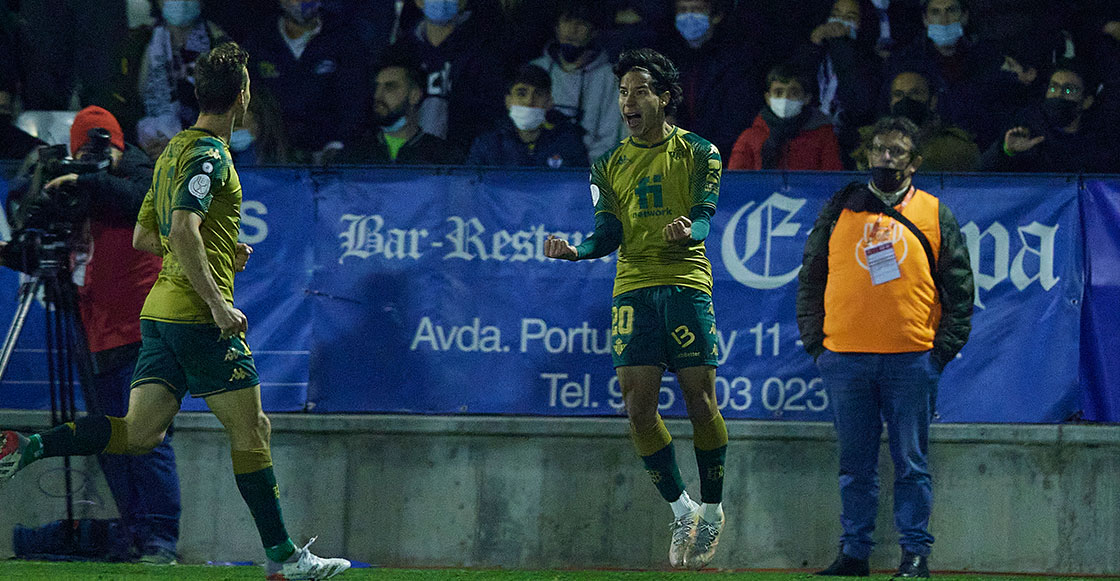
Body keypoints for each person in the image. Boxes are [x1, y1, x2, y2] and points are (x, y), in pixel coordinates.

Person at [0, 42, 351, 581]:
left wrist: (216, 249)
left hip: (157, 316)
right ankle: (284, 560)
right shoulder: (210, 154)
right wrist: (217, 301)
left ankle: (29, 446)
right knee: (252, 428)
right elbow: (183, 227)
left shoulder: (170, 153)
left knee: (140, 434)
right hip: (195, 315)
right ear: (242, 96)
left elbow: (147, 234)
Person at [543, 48, 727, 571]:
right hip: (634, 288)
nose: (628, 100)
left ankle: (713, 508)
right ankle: (682, 507)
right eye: (623, 92)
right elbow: (608, 231)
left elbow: (706, 216)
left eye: (640, 91)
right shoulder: (607, 164)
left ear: (665, 98)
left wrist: (690, 229)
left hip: (685, 284)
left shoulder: (700, 152)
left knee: (700, 402)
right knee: (637, 408)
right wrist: (576, 250)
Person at [797, 116, 974, 578]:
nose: (886, 158)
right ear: (868, 154)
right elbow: (811, 278)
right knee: (855, 466)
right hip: (845, 358)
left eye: (897, 151)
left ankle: (915, 556)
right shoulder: (841, 207)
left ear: (915, 161)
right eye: (879, 149)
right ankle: (855, 554)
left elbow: (960, 290)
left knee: (911, 464)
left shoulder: (935, 213)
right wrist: (819, 345)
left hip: (912, 360)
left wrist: (939, 352)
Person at [57, 106, 182, 564]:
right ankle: (134, 531)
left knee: (148, 438)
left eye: (101, 145)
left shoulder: (142, 174)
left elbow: (144, 202)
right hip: (93, 333)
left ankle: (162, 538)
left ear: (116, 144)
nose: (93, 157)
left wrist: (88, 180)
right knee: (110, 441)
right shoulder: (79, 193)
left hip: (143, 330)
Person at [241, 0, 376, 163]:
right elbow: (250, 96)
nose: (304, 2)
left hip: (328, 158)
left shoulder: (343, 38)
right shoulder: (259, 40)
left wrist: (337, 144)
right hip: (272, 156)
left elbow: (355, 99)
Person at [394, 0, 507, 151]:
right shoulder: (401, 52)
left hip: (459, 159)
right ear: (419, 2)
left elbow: (490, 113)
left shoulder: (482, 52)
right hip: (405, 160)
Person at [660, 0, 763, 158]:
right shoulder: (668, 58)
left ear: (716, 16)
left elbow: (734, 119)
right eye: (683, 10)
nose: (689, 16)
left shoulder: (736, 61)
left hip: (721, 158)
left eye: (697, 9)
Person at [790, 0, 882, 166]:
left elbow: (858, 103)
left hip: (849, 144)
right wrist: (813, 45)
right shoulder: (814, 53)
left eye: (850, 16)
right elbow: (795, 81)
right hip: (808, 136)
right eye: (835, 15)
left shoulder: (873, 62)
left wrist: (841, 46)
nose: (839, 22)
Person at [979, 60, 1114, 173]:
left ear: (1086, 101)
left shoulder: (1103, 139)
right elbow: (981, 179)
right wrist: (1007, 152)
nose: (1058, 95)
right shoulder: (1026, 127)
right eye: (1053, 88)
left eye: (1069, 90)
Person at [137, 0, 231, 160]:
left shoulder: (219, 42)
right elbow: (128, 104)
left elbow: (228, 109)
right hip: (148, 150)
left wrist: (180, 147)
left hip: (207, 153)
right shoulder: (140, 41)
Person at [530, 1, 623, 162]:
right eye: (566, 22)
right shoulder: (536, 70)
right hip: (538, 171)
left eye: (581, 24)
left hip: (586, 173)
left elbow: (610, 137)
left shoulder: (610, 77)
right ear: (556, 27)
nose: (572, 30)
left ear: (593, 31)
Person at [337, 51, 463, 165]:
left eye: (390, 87)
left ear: (414, 96)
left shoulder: (444, 158)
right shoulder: (353, 157)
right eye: (377, 87)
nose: (377, 95)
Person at [851, 70, 979, 172]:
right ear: (890, 102)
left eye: (915, 93)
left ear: (932, 101)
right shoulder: (871, 141)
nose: (906, 100)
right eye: (898, 94)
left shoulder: (955, 146)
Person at [467, 64, 588, 168]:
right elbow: (471, 186)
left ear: (549, 102)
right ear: (508, 101)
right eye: (521, 93)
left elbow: (580, 188)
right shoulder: (488, 144)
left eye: (538, 94)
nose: (529, 101)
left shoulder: (568, 142)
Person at [727, 63, 843, 171]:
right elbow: (736, 181)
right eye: (778, 92)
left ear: (806, 98)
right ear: (768, 98)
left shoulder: (823, 136)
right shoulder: (750, 137)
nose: (785, 98)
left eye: (794, 93)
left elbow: (832, 180)